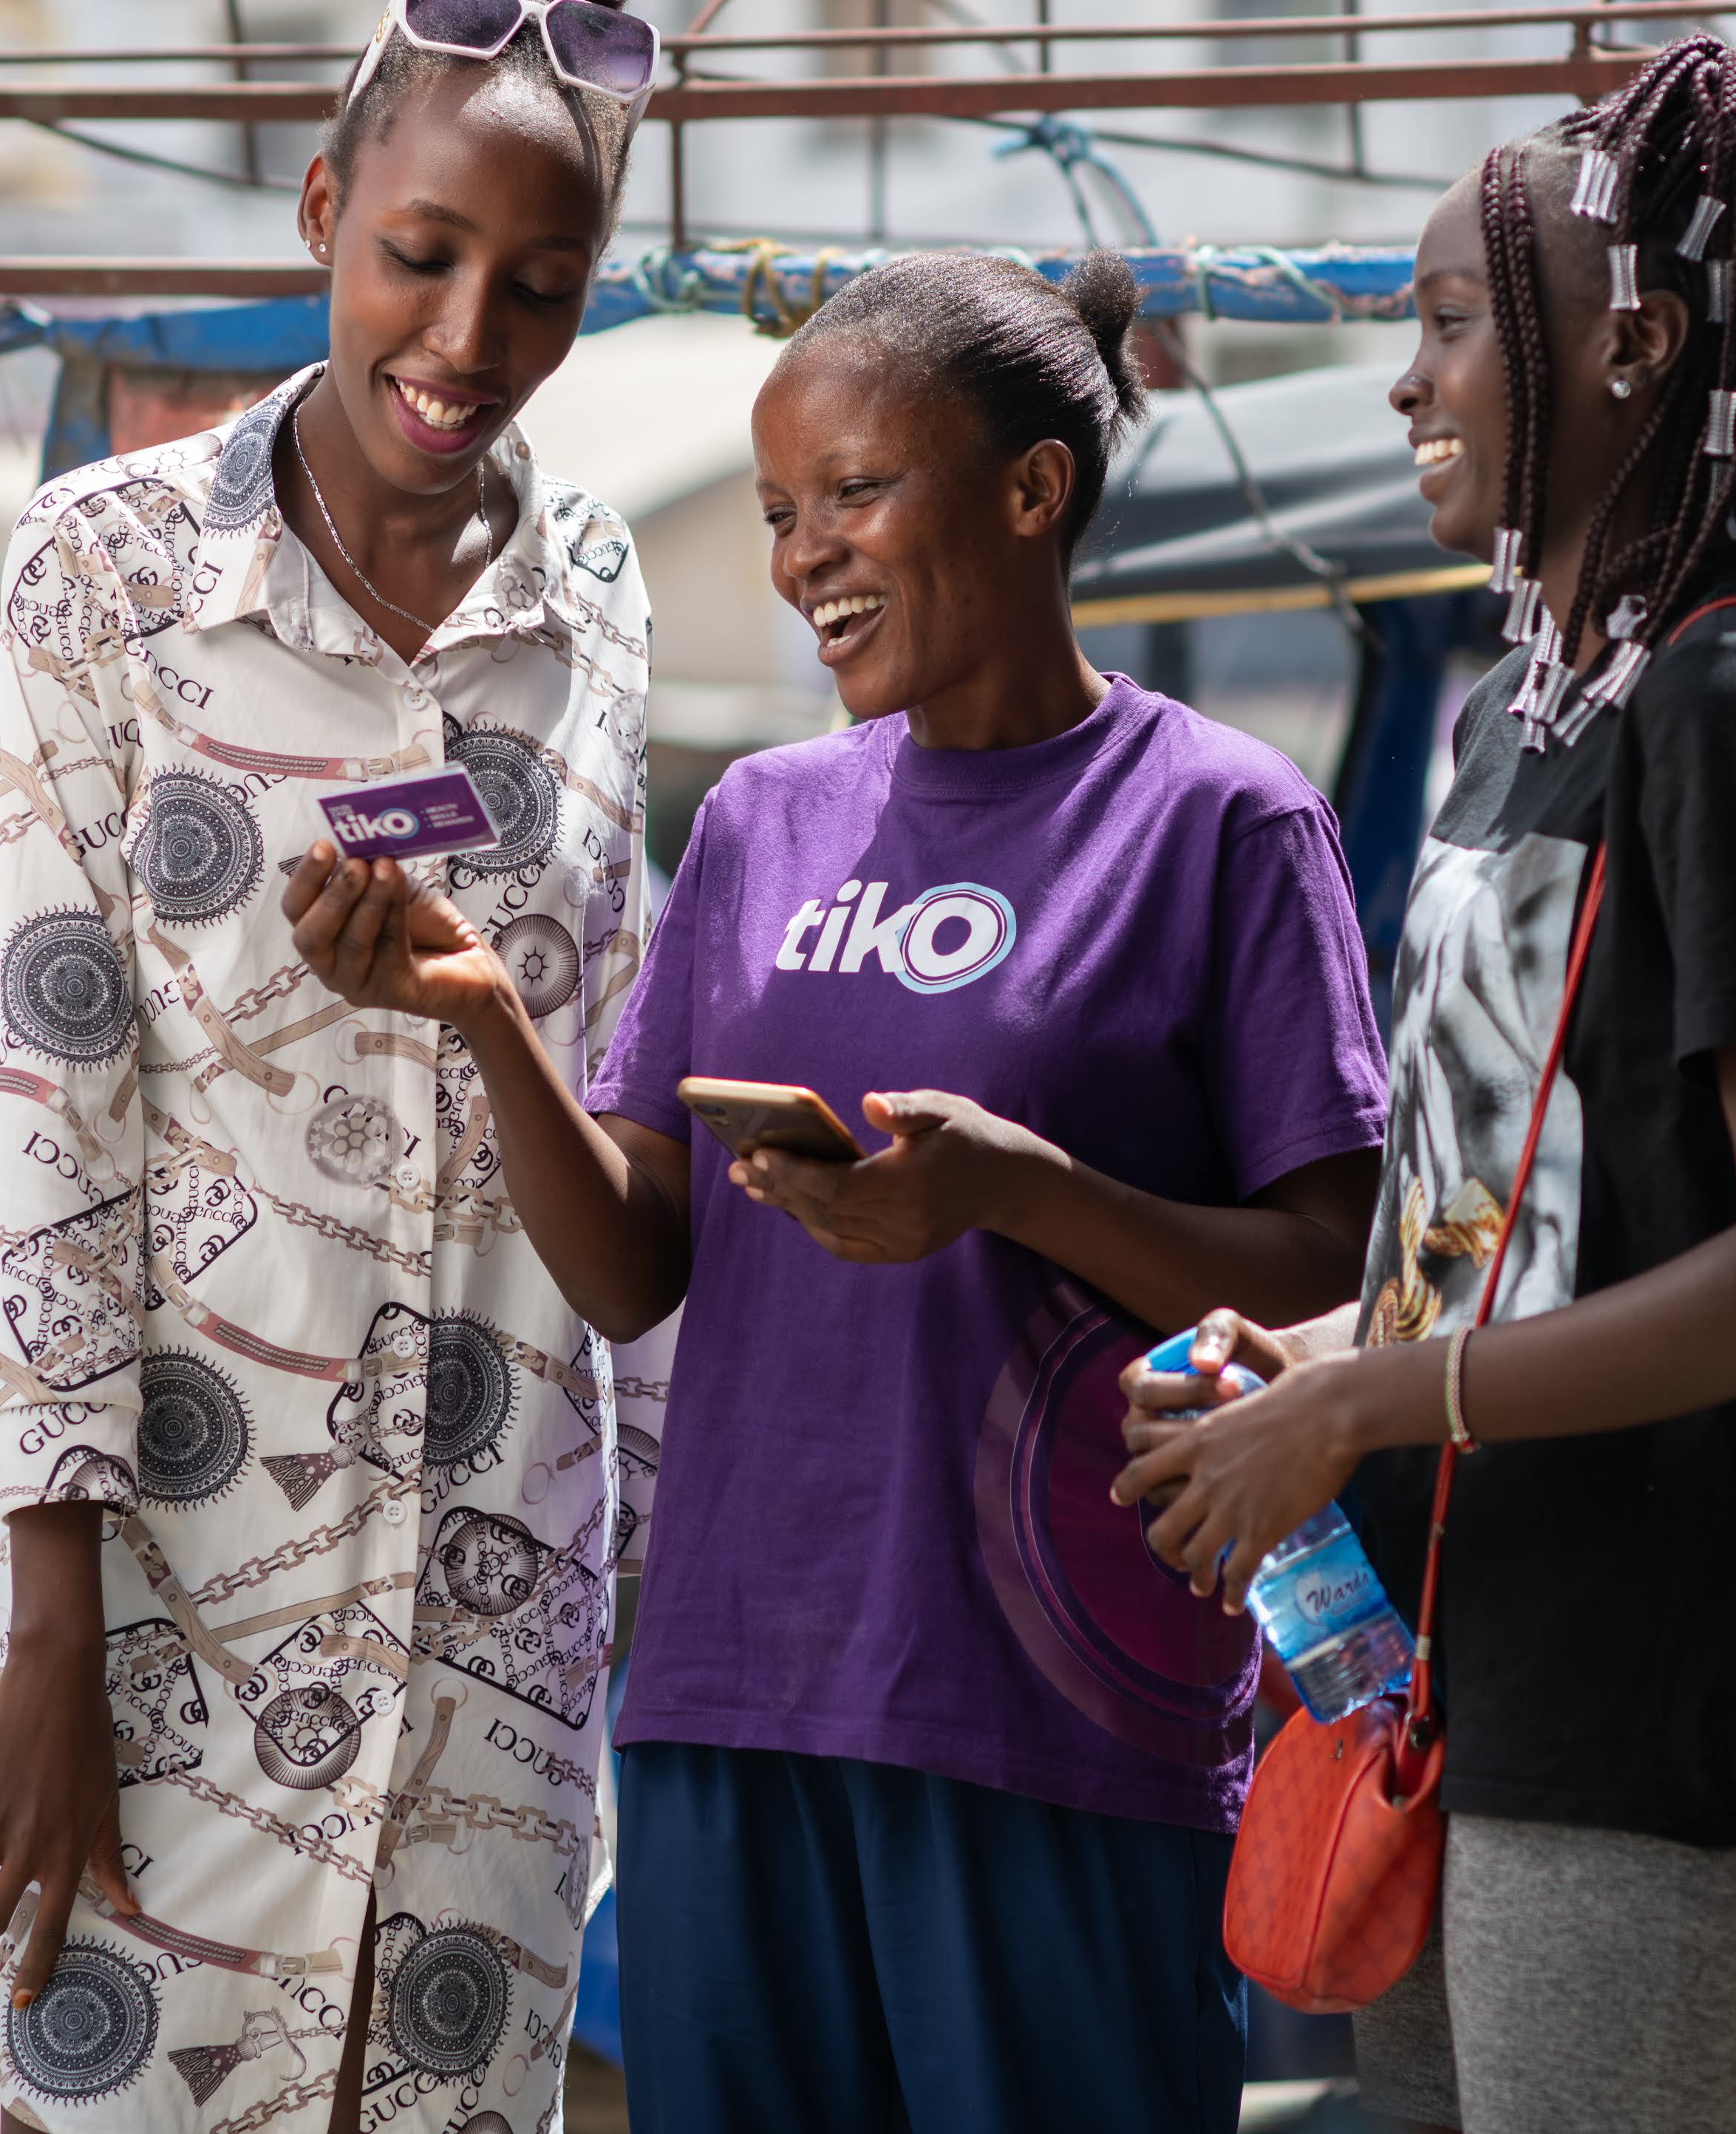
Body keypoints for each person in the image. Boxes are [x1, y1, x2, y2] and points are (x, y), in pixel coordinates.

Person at [281, 248, 1392, 2133]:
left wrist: (1021, 1194)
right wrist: (480, 1017)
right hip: (732, 1692)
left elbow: (1331, 1279)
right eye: (785, 512)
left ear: (1034, 490)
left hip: (1048, 1708)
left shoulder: (1221, 818)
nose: (803, 558)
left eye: (854, 495)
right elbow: (638, 1265)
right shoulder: (761, 821)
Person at [1116, 38, 1736, 2134]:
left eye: (1443, 324)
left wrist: (1361, 1401)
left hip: (1641, 1669)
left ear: (1638, 345)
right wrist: (1311, 1348)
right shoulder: (1525, 714)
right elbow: (1528, 1217)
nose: (1404, 382)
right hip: (1452, 1653)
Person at [0, 0, 660, 2134]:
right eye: (419, 257)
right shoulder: (101, 577)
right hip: (168, 1619)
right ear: (323, 202)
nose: (464, 340)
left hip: (498, 1647)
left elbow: (603, 1128)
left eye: (540, 284)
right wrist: (48, 1636)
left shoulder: (601, 598)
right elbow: (59, 1113)